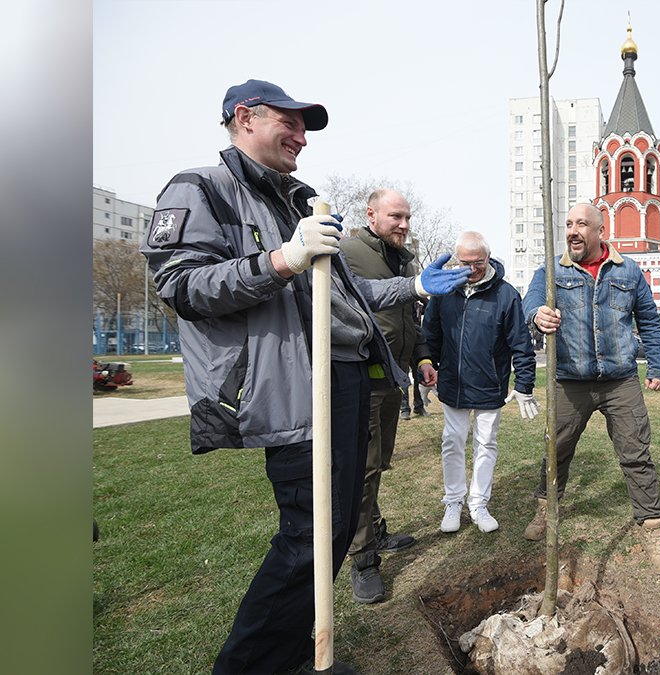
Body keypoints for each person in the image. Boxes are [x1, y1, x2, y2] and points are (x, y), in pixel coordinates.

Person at [140, 79, 469, 675]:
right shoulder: (202, 190)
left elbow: (345, 291)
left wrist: (415, 287)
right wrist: (282, 259)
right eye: (288, 124)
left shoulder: (300, 201)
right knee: (309, 531)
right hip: (293, 385)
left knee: (337, 525)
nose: (301, 139)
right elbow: (182, 285)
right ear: (244, 118)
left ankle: (293, 657)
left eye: (306, 129)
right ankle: (248, 666)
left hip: (344, 377)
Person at [522, 203, 660, 575]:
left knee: (636, 453)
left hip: (620, 380)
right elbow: (529, 301)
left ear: (600, 232)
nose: (573, 231)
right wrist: (535, 315)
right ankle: (546, 508)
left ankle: (652, 528)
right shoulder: (552, 269)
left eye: (582, 224)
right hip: (569, 380)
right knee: (555, 451)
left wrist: (656, 363)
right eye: (569, 223)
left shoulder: (629, 270)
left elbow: (650, 320)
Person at [338, 188, 428, 604]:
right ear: (370, 214)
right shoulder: (348, 252)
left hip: (394, 379)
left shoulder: (405, 260)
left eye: (407, 218)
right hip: (362, 378)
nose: (404, 226)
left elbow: (411, 318)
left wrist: (422, 358)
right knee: (363, 469)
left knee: (378, 464)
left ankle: (374, 531)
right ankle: (363, 560)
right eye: (396, 217)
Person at [424, 232, 539, 534]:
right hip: (453, 383)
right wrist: (426, 365)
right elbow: (431, 335)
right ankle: (453, 501)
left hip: (490, 384)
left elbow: (521, 343)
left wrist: (525, 384)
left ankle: (478, 503)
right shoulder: (444, 292)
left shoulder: (505, 295)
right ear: (456, 260)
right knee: (452, 441)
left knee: (486, 443)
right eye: (465, 262)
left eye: (477, 263)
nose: (471, 269)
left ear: (488, 258)